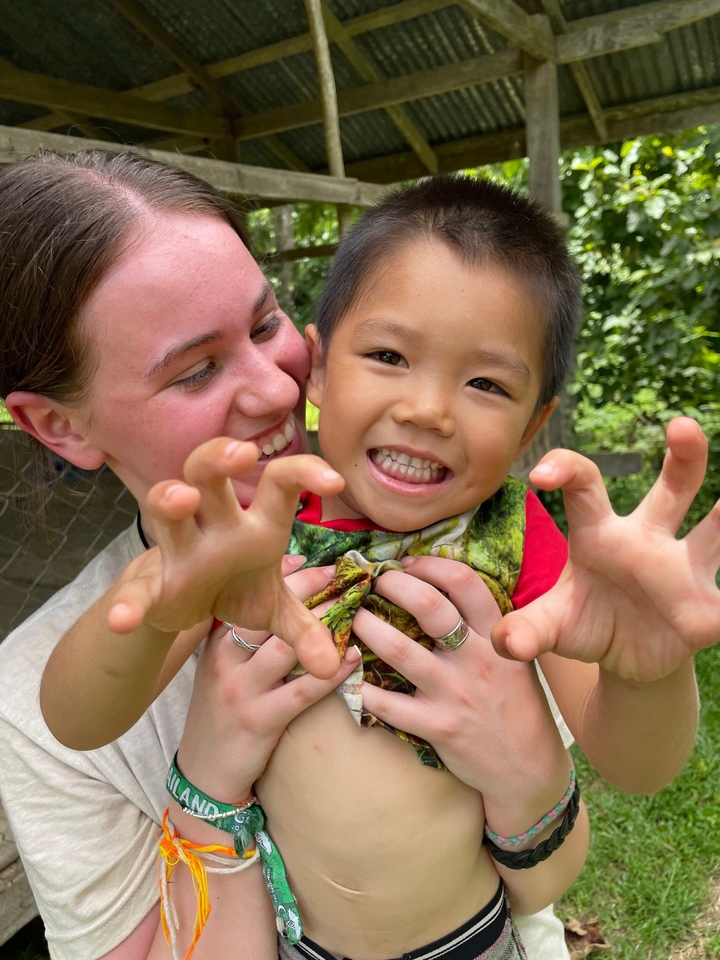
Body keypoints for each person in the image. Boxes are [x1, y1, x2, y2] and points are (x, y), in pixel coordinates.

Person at [0, 152, 713, 960]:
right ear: (325, 367)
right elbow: (79, 719)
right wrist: (158, 600)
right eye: (389, 357)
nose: (427, 410)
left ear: (532, 423)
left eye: (485, 384)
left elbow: (636, 766)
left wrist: (648, 671)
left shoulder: (512, 536)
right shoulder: (257, 535)